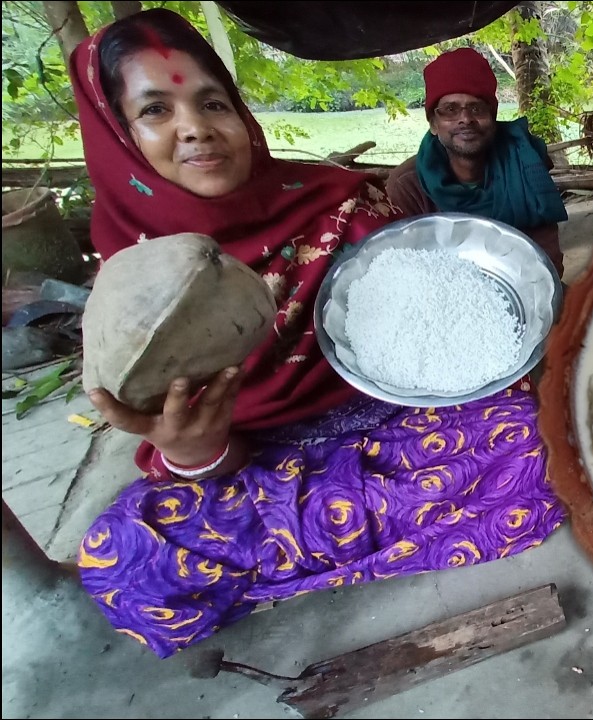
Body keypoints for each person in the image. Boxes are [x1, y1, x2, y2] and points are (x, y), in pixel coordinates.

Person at [70, 9, 564, 659]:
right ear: (118, 133)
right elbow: (178, 452)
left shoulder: (340, 205)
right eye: (156, 110)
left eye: (212, 103)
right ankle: (386, 530)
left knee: (540, 437)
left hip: (399, 425)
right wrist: (195, 453)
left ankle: (313, 553)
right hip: (256, 468)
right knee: (121, 559)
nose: (195, 128)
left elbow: (437, 326)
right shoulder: (131, 274)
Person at [385, 47, 568, 277]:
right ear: (433, 123)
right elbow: (401, 268)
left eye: (476, 108)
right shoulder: (407, 185)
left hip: (519, 283)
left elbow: (546, 261)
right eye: (450, 109)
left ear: (492, 116)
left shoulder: (524, 165)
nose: (465, 119)